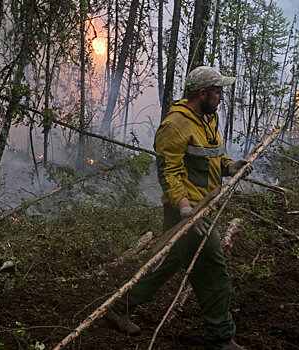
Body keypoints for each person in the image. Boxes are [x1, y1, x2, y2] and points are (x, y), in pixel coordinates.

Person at [105, 66, 251, 350]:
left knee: (165, 264)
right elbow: (169, 173)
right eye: (218, 91)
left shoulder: (208, 119)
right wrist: (185, 209)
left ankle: (118, 307)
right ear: (203, 93)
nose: (222, 96)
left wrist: (231, 167)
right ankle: (221, 338)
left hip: (202, 207)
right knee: (214, 272)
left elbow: (214, 158)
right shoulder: (175, 125)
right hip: (187, 212)